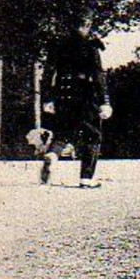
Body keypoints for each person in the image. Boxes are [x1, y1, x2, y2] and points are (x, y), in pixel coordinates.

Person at [40, 14, 112, 187]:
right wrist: (105, 101)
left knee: (64, 132)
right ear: (87, 25)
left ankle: (52, 155)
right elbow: (98, 75)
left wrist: (48, 98)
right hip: (86, 94)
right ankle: (86, 178)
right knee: (92, 135)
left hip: (64, 93)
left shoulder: (58, 45)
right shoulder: (91, 45)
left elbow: (48, 73)